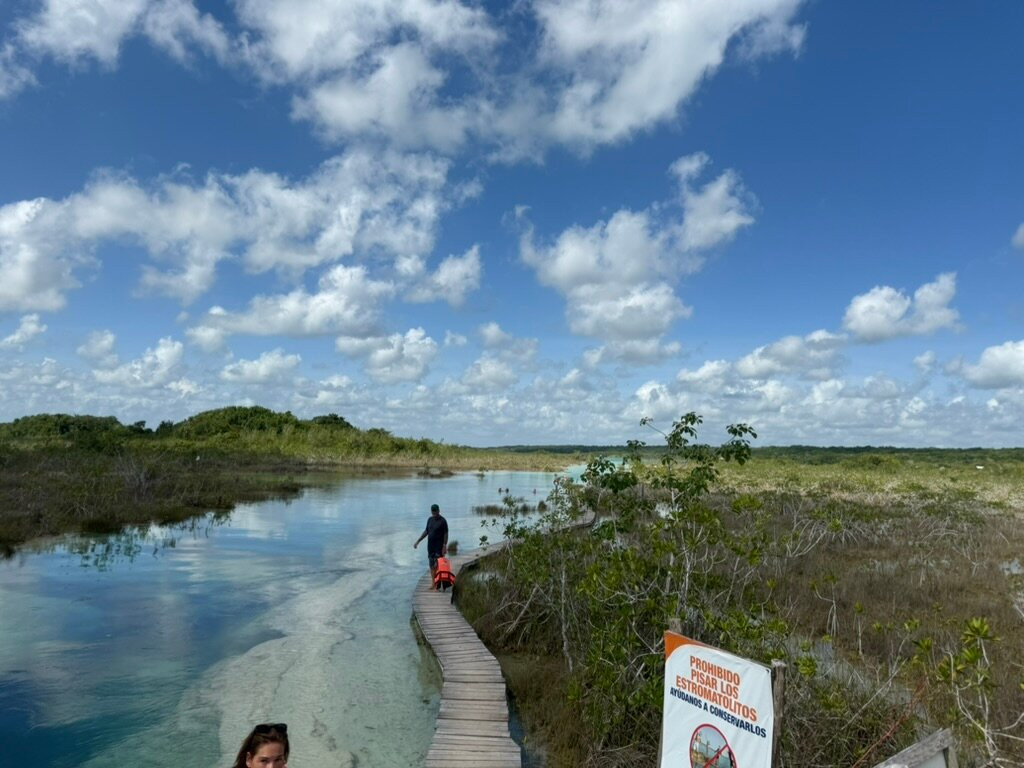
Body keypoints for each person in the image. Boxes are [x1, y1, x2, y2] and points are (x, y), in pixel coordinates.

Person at [413, 503, 448, 586]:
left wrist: (444, 546)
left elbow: (446, 534)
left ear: (439, 511)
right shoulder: (430, 520)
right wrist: (418, 541)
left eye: (436, 511)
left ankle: (439, 583)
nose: (434, 513)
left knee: (438, 565)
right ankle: (433, 583)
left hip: (439, 547)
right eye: (433, 512)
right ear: (431, 512)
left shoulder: (443, 521)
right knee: (431, 565)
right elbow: (426, 531)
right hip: (430, 547)